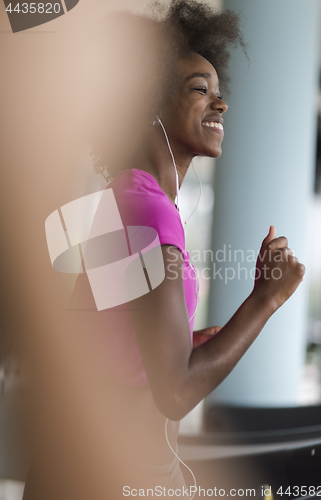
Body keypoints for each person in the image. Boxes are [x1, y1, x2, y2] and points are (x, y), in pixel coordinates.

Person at [24, 1, 305, 498]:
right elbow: (174, 391)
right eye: (201, 89)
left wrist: (187, 340)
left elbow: (105, 339)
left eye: (220, 94)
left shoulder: (126, 199)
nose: (220, 104)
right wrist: (267, 299)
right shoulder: (150, 212)